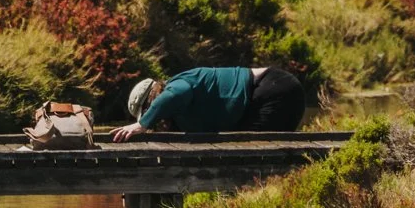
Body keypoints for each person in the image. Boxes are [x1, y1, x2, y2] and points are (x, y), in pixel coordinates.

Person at [110, 64, 305, 143]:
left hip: (273, 88)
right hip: (269, 96)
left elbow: (176, 95)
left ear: (154, 97)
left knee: (256, 156)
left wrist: (142, 124)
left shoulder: (177, 85)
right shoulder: (180, 116)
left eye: (147, 110)